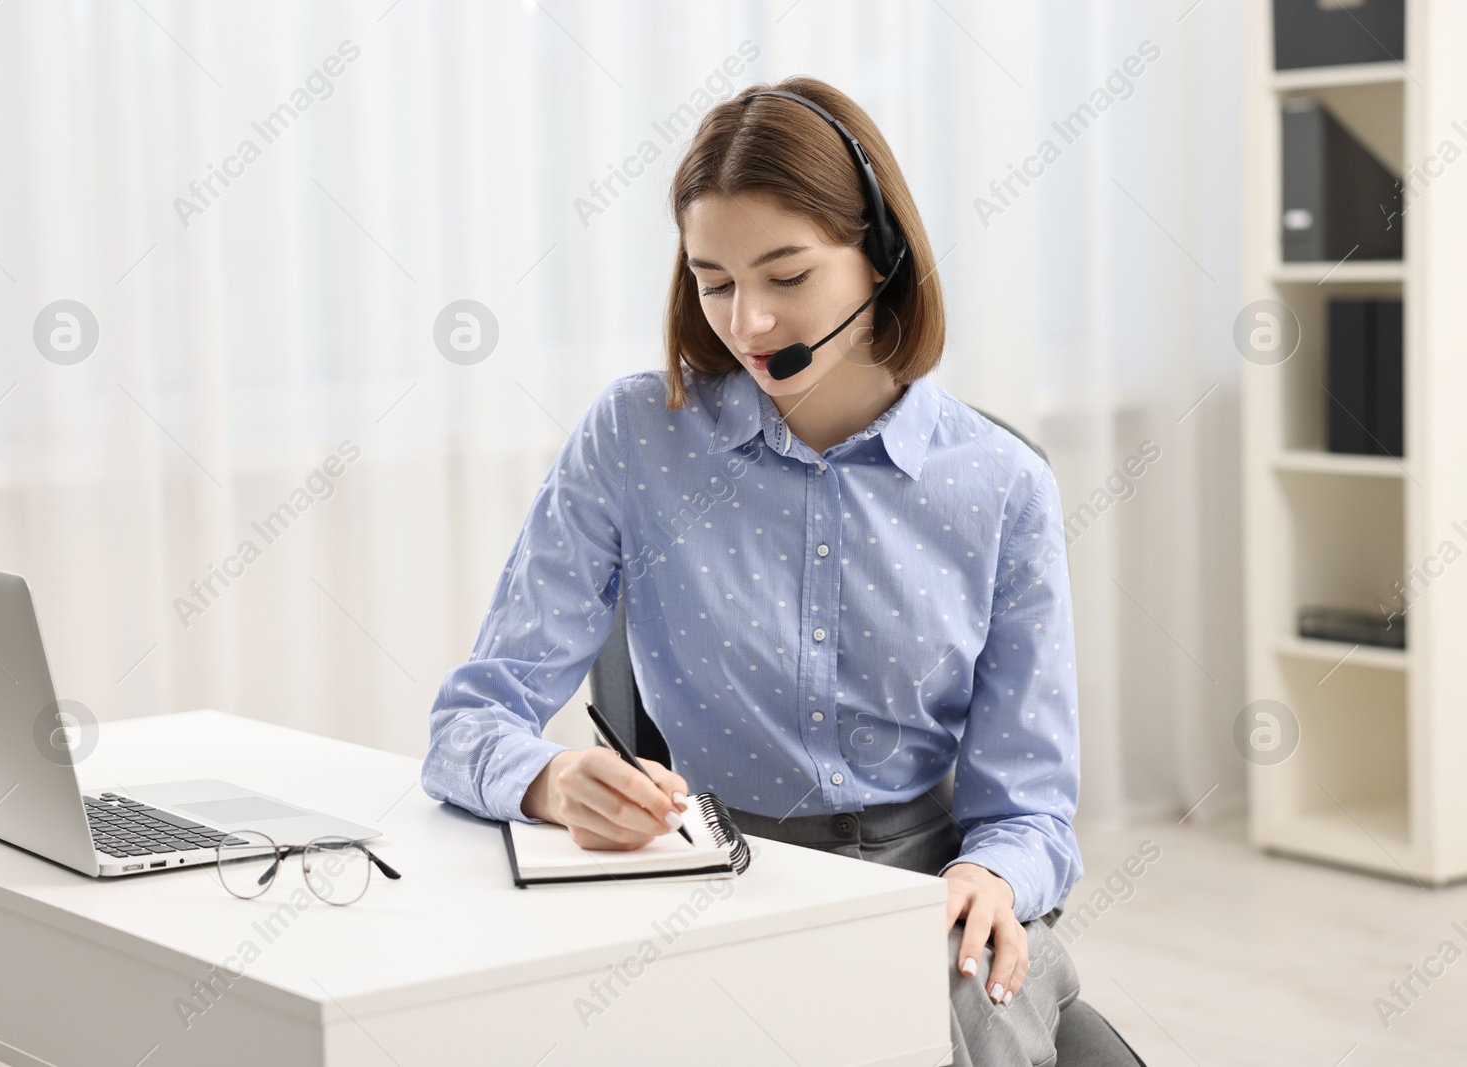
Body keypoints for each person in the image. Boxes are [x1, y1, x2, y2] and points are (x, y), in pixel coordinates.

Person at [422, 75, 1084, 1064]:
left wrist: (991, 874)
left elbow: (1028, 808)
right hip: (705, 878)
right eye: (713, 279)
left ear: (880, 258)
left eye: (787, 275)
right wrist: (555, 779)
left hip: (916, 890)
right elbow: (467, 724)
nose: (749, 322)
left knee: (948, 1017)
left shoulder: (1000, 486)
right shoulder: (634, 436)